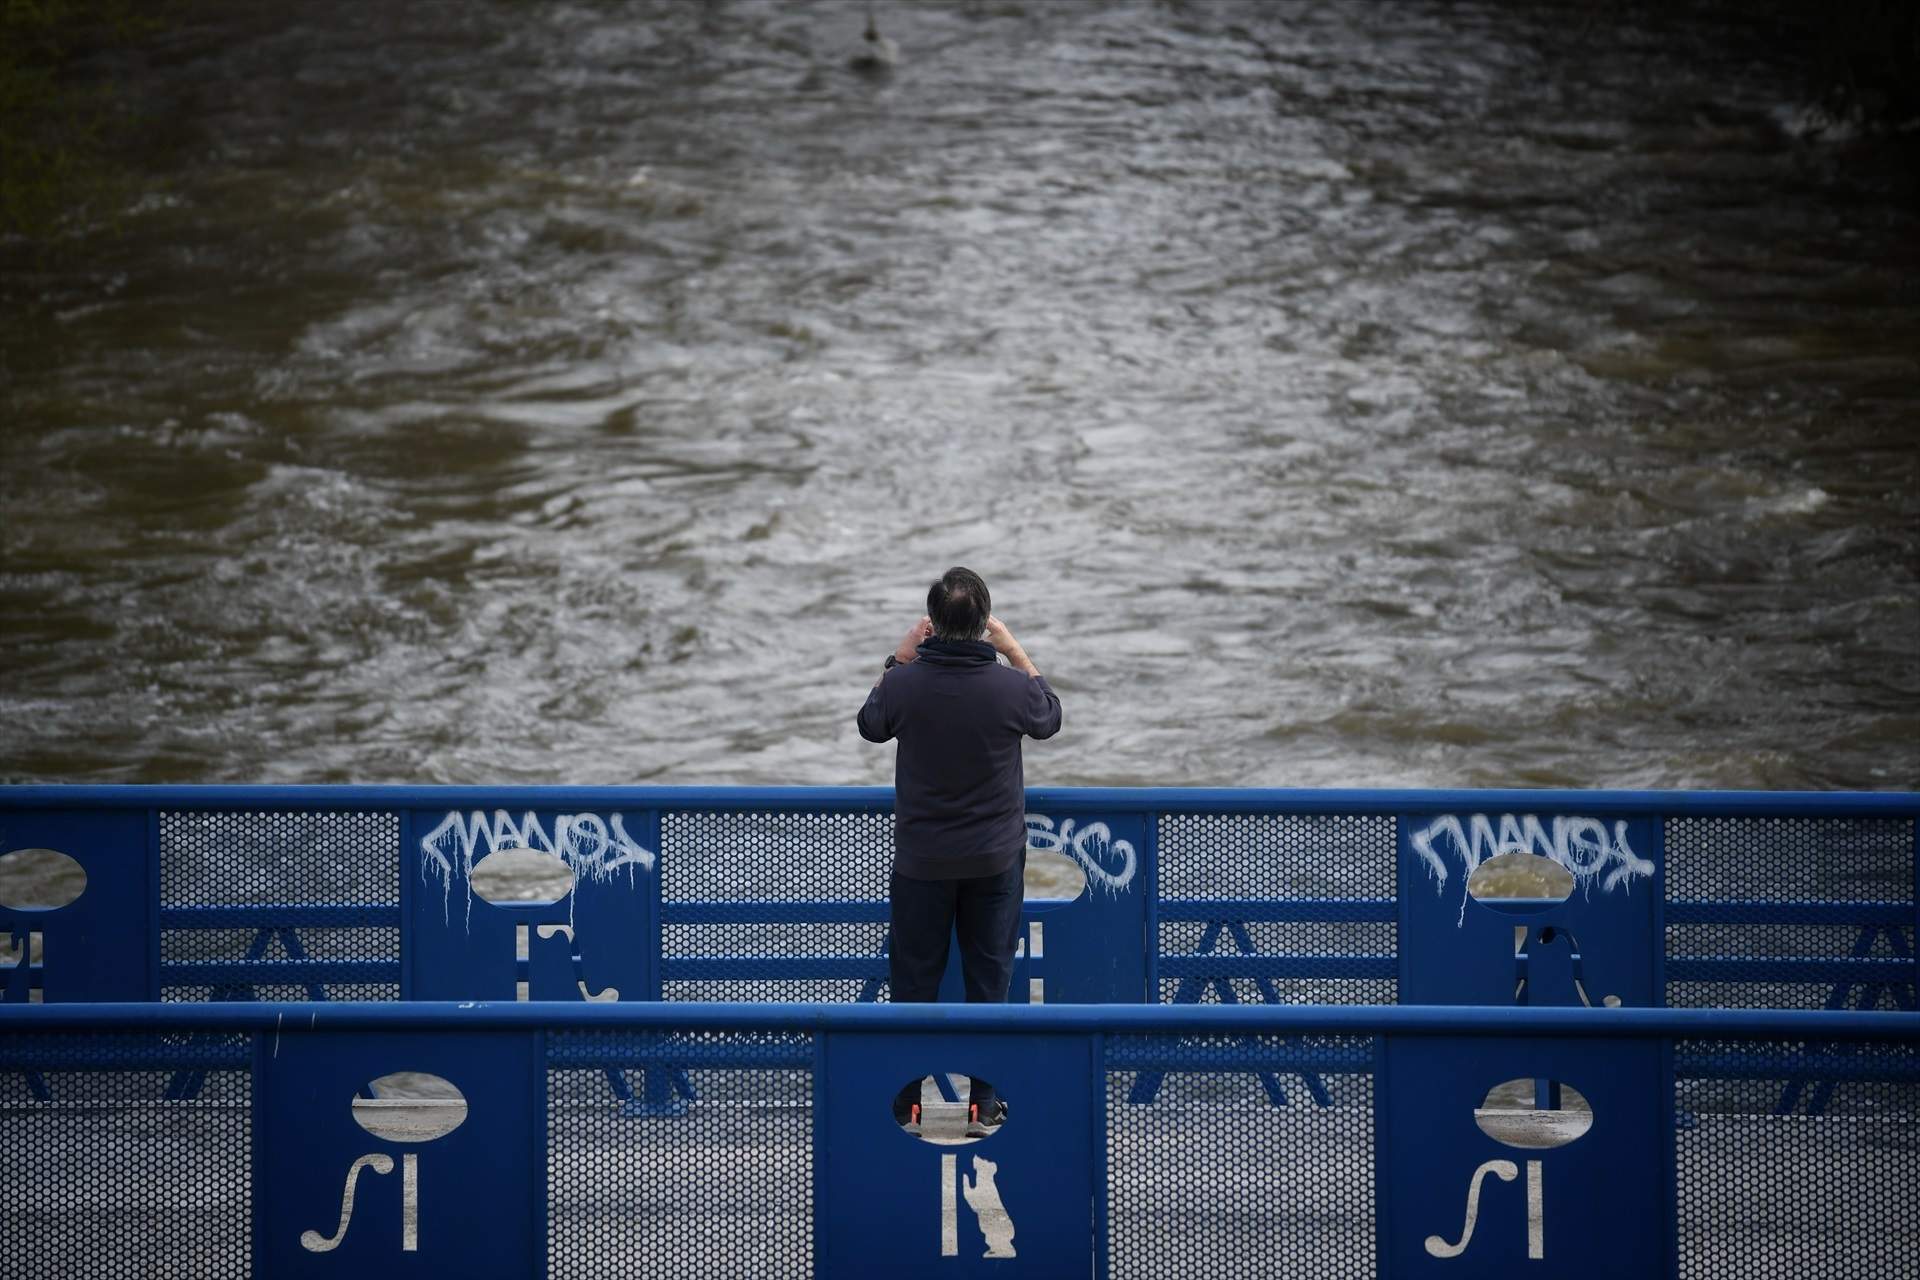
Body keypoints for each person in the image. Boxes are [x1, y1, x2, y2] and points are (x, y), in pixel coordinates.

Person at [857, 566, 1062, 1135]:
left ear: (932, 625)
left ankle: (909, 1102)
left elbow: (871, 725)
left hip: (922, 859)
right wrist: (1015, 649)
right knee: (988, 978)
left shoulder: (904, 684)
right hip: (995, 860)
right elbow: (1050, 717)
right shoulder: (1012, 689)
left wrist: (899, 657)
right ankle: (984, 1102)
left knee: (915, 981)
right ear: (983, 625)